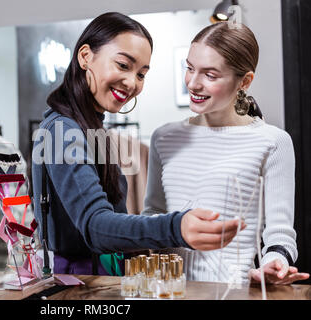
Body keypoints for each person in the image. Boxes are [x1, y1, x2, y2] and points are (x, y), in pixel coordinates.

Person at [31, 12, 243, 276]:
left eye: (141, 74)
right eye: (123, 65)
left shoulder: (91, 128)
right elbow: (95, 226)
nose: (132, 82)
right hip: (80, 285)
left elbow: (113, 218)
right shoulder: (61, 131)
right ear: (85, 56)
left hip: (103, 277)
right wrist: (176, 227)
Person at [143, 22, 309, 284]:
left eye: (210, 75)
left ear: (244, 81)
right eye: (189, 68)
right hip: (169, 291)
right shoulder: (163, 137)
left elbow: (279, 236)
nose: (193, 84)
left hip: (234, 291)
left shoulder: (273, 142)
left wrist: (273, 264)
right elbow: (152, 215)